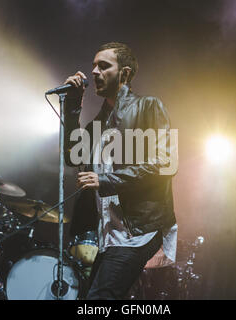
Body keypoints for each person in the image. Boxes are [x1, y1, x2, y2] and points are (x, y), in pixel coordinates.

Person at [63, 42, 177, 300]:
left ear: (124, 74)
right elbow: (72, 157)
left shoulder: (149, 107)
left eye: (104, 66)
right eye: (93, 66)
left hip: (138, 231)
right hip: (110, 235)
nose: (94, 72)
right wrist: (72, 107)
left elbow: (165, 162)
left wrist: (105, 180)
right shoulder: (99, 123)